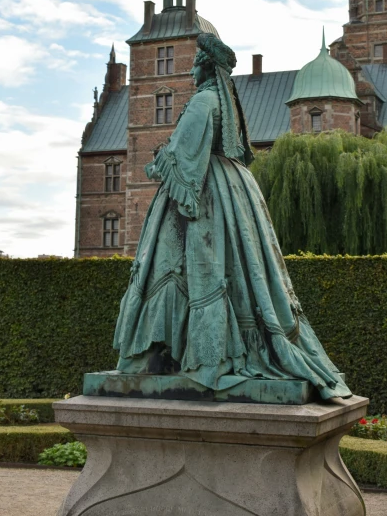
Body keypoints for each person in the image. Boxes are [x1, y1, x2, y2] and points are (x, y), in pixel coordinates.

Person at [114, 33, 351, 400]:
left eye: (195, 61)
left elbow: (180, 156)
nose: (190, 67)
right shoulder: (227, 102)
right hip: (235, 190)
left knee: (170, 266)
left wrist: (155, 164)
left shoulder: (202, 101)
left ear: (205, 64)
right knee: (242, 270)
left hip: (204, 194)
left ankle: (181, 354)